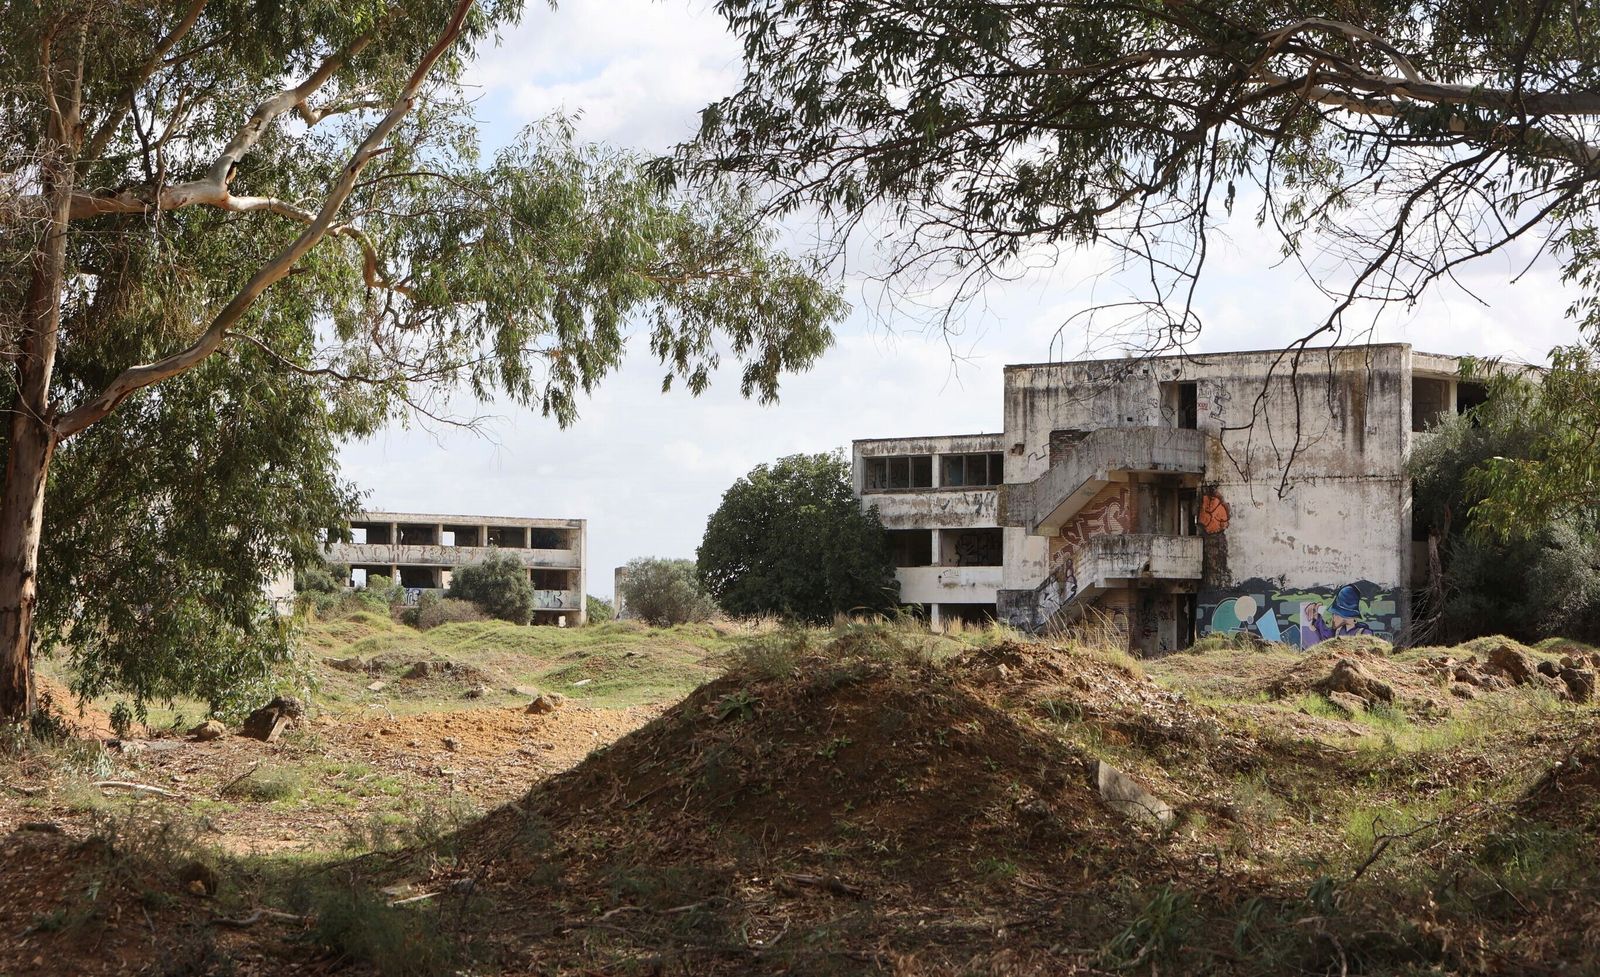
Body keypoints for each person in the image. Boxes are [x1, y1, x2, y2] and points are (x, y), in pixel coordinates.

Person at [1305, 585, 1372, 645]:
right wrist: (1316, 617)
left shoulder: (1364, 633)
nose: (1333, 618)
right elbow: (1325, 635)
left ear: (1344, 614)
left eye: (1335, 614)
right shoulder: (1337, 632)